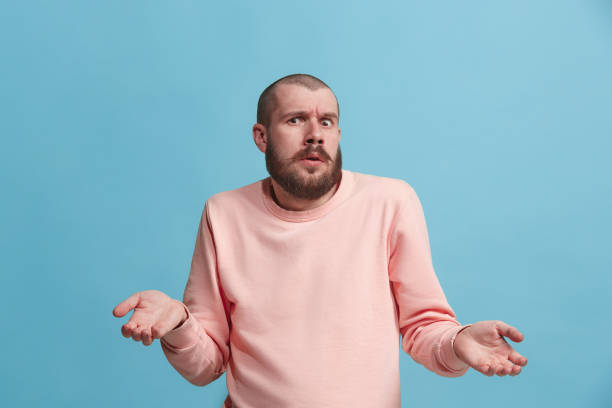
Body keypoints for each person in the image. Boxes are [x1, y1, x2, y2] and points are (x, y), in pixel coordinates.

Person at [113, 74, 528, 407]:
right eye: (296, 120)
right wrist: (180, 324)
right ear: (261, 137)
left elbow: (424, 328)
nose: (315, 134)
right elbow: (207, 365)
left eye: (326, 122)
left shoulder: (390, 201)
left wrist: (459, 340)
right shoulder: (223, 213)